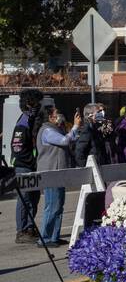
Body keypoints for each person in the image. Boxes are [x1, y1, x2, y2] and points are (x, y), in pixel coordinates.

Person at [36, 102, 78, 246]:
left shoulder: (55, 129)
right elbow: (65, 141)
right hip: (51, 173)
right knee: (52, 205)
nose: (59, 115)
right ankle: (45, 238)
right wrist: (75, 126)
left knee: (59, 205)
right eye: (56, 113)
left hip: (58, 173)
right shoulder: (47, 131)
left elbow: (71, 139)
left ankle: (54, 236)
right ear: (50, 117)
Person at [10, 88, 43, 243]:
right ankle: (21, 230)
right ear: (30, 103)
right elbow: (17, 149)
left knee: (34, 198)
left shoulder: (34, 120)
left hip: (33, 166)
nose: (40, 105)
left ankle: (30, 227)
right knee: (25, 199)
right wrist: (32, 161)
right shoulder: (23, 122)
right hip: (24, 166)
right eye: (37, 102)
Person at [73, 102, 111, 167]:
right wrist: (85, 167)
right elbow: (79, 151)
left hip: (99, 166)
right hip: (91, 168)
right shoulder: (86, 129)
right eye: (98, 112)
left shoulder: (95, 127)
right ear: (90, 115)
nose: (101, 114)